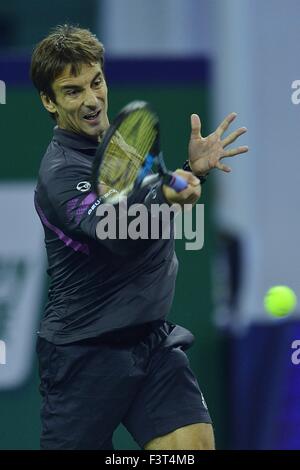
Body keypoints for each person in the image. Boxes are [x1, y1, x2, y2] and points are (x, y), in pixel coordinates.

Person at [31, 24, 248, 450]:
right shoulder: (59, 173)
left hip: (150, 341)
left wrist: (192, 170)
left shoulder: (124, 146)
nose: (93, 101)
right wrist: (168, 196)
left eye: (96, 82)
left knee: (193, 448)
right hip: (83, 354)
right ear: (49, 102)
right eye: (73, 91)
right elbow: (111, 229)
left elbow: (156, 197)